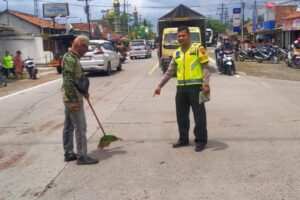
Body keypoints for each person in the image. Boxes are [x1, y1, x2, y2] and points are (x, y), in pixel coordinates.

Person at [153, 26, 210, 152]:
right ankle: (183, 139)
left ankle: (201, 141)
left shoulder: (198, 48)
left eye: (183, 35)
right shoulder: (177, 52)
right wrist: (160, 85)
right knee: (181, 116)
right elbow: (169, 71)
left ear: (188, 35)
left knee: (199, 116)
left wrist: (206, 84)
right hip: (181, 90)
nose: (180, 38)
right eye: (178, 36)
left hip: (196, 88)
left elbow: (205, 67)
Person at [61, 35, 98, 165]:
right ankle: (82, 156)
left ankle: (69, 153)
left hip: (74, 96)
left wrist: (85, 92)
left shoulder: (73, 57)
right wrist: (73, 101)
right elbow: (68, 81)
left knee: (69, 126)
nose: (87, 50)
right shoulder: (70, 59)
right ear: (79, 44)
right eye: (85, 47)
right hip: (73, 98)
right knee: (80, 127)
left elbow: (77, 79)